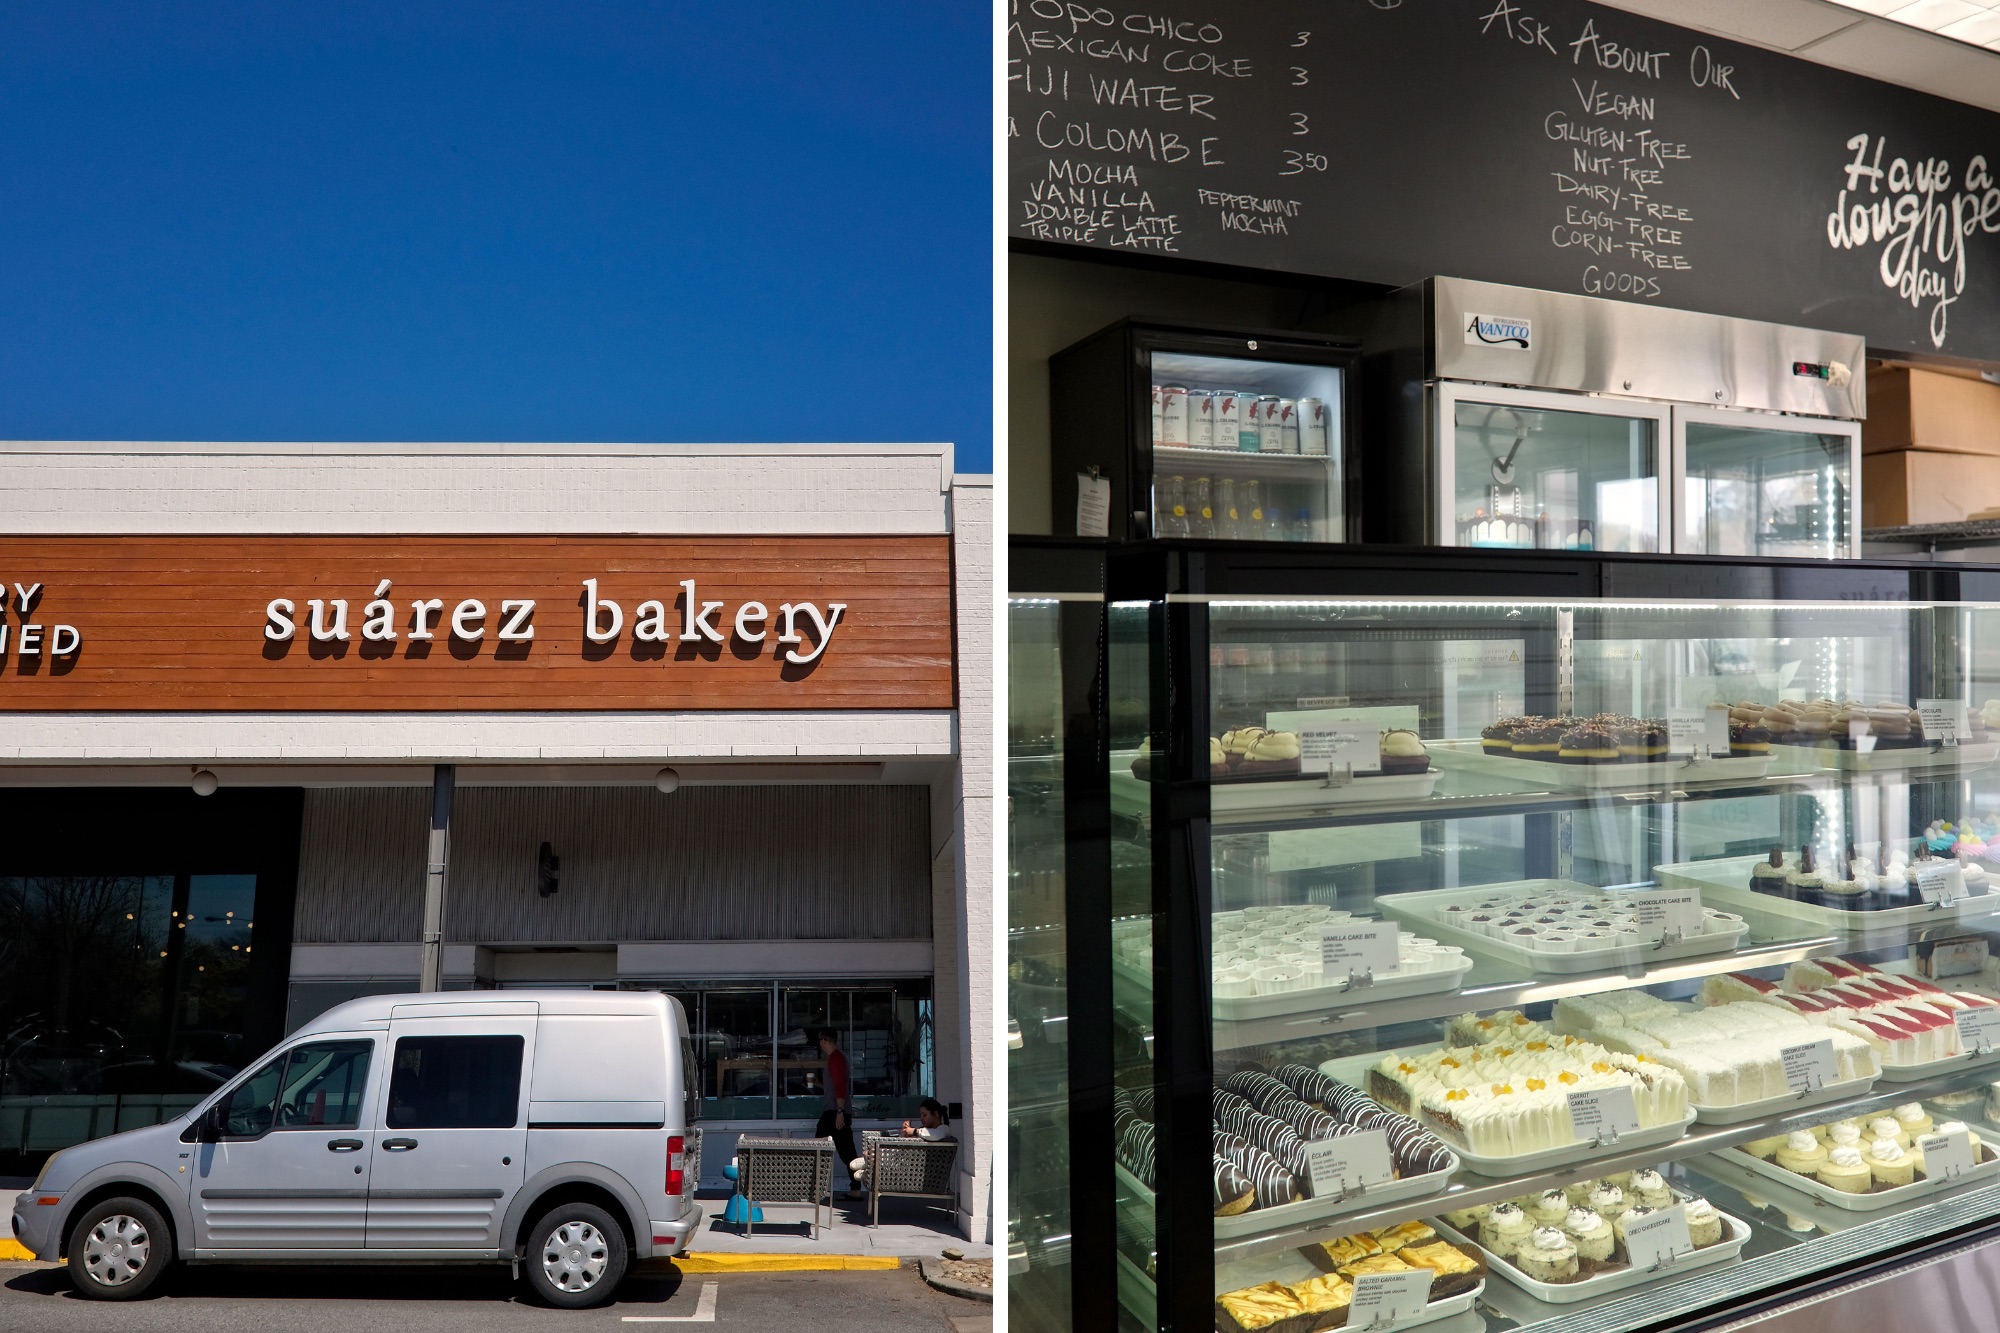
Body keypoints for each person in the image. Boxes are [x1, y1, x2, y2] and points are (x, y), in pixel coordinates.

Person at [848, 1098, 953, 1187]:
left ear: (936, 1114)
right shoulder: (925, 1131)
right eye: (921, 1115)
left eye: (924, 1115)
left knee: (868, 1154)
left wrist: (914, 1131)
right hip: (902, 1164)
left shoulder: (943, 1130)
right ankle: (869, 1167)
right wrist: (905, 1134)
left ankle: (868, 1168)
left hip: (909, 1170)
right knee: (869, 1154)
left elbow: (936, 1135)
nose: (921, 1119)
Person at [814, 1028, 860, 1197]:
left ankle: (817, 1186)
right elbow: (834, 1086)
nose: (819, 1044)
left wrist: (840, 1111)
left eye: (820, 1040)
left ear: (824, 1040)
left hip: (835, 1111)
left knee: (820, 1145)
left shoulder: (835, 1058)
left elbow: (840, 1085)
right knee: (845, 1149)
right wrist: (817, 1083)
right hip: (835, 1110)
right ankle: (855, 1188)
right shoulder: (836, 1058)